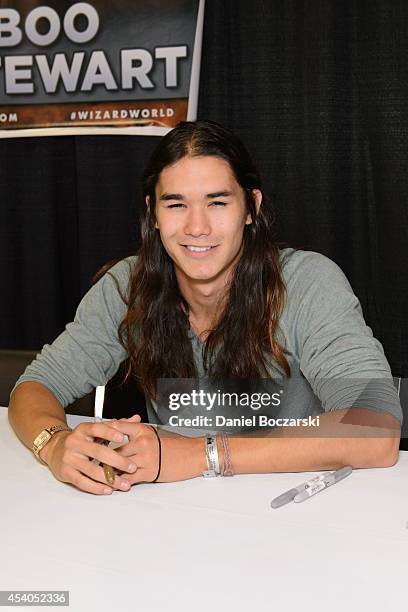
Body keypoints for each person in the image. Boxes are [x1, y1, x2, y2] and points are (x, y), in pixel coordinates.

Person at [8, 120, 402, 495]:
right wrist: (54, 444)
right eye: (176, 205)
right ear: (153, 214)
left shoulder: (305, 283)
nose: (197, 227)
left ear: (251, 208)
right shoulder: (129, 287)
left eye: (216, 202)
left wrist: (203, 454)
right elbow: (35, 386)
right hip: (176, 509)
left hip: (291, 504)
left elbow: (377, 427)